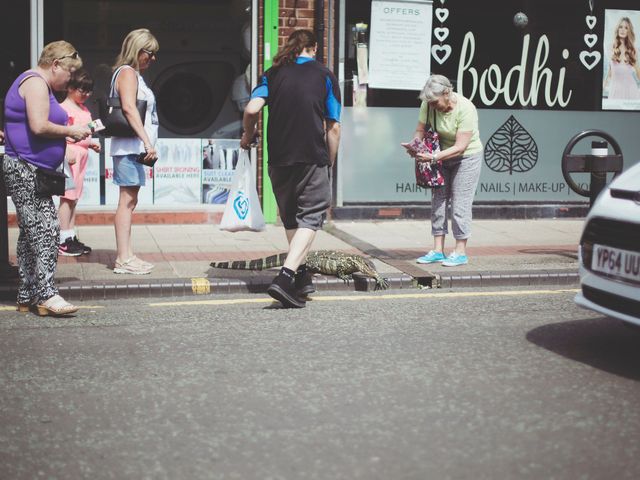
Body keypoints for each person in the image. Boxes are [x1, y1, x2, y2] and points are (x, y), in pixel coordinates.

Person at [241, 29, 341, 308]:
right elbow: (333, 127)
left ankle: (301, 274)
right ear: (315, 48)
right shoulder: (324, 75)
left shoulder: (271, 74)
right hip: (312, 156)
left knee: (291, 219)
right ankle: (285, 278)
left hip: (279, 159)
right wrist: (330, 160)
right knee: (311, 218)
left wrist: (248, 136)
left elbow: (251, 109)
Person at [2, 41, 91, 315]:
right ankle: (47, 295)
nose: (71, 79)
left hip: (34, 168)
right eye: (70, 73)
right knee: (47, 230)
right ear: (56, 65)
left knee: (30, 233)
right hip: (26, 168)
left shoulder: (41, 85)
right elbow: (38, 125)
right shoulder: (35, 83)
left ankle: (27, 294)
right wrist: (71, 132)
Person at [410, 74, 482, 267]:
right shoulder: (428, 103)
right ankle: (438, 250)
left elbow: (460, 146)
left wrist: (432, 157)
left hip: (466, 157)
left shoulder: (466, 108)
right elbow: (420, 129)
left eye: (435, 102)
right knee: (439, 201)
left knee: (460, 204)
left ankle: (460, 251)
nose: (432, 106)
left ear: (447, 92)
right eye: (430, 103)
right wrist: (416, 147)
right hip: (440, 154)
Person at [109, 28, 159, 274]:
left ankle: (127, 255)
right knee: (127, 201)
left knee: (131, 200)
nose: (152, 58)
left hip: (132, 147)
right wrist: (147, 142)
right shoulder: (128, 73)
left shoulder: (132, 74)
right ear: (137, 50)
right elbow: (129, 108)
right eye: (150, 53)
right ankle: (123, 259)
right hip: (130, 147)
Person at [57, 68, 101, 256]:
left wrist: (90, 144)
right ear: (70, 88)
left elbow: (84, 133)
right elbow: (59, 133)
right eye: (82, 90)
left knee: (74, 198)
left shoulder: (83, 109)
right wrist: (66, 150)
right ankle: (62, 239)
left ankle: (70, 235)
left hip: (81, 155)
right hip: (71, 155)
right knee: (67, 197)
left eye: (88, 91)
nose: (86, 95)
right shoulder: (63, 109)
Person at [603, 17, 640, 100]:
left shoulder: (633, 50)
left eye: (626, 28)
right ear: (617, 29)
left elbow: (638, 73)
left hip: (631, 90)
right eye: (621, 27)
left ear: (629, 31)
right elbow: (610, 71)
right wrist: (603, 86)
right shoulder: (610, 48)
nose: (623, 30)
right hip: (615, 90)